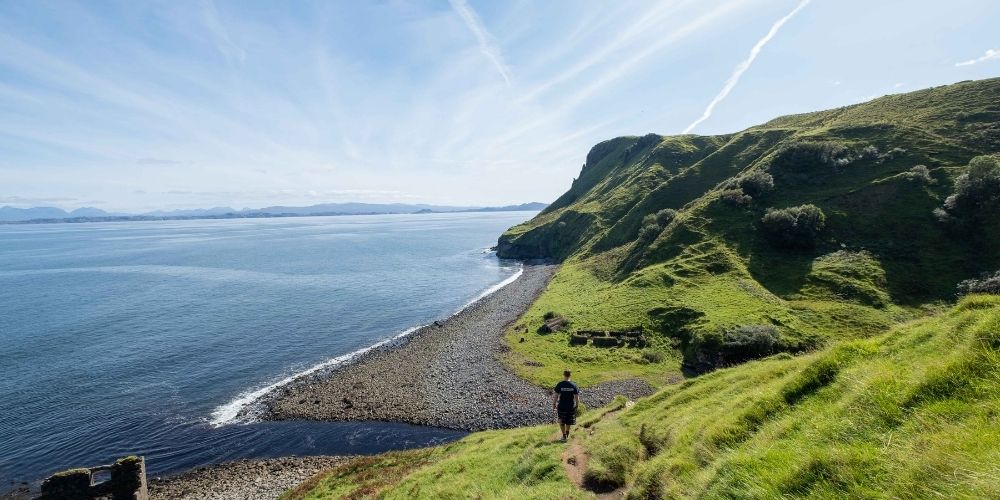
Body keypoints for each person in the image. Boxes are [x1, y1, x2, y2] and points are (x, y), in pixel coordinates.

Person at [552, 369, 579, 441]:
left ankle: (564, 436)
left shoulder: (560, 384)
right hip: (571, 406)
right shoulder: (574, 385)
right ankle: (567, 434)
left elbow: (556, 396)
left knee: (561, 421)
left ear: (563, 375)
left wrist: (554, 404)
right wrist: (577, 405)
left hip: (561, 406)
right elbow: (576, 397)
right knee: (568, 421)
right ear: (570, 375)